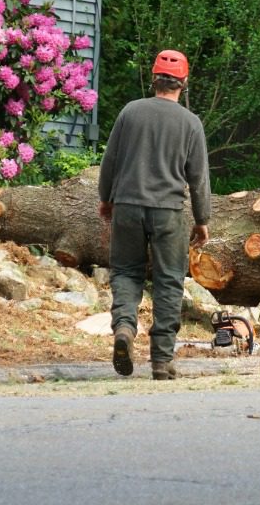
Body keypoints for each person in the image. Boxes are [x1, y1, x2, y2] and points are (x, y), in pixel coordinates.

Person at [98, 49, 211, 380]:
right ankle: (161, 361)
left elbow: (110, 161)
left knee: (126, 273)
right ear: (184, 83)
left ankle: (124, 329)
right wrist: (203, 219)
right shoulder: (190, 123)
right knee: (168, 280)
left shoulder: (130, 112)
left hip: (128, 207)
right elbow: (199, 178)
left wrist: (106, 198)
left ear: (154, 79)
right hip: (169, 212)